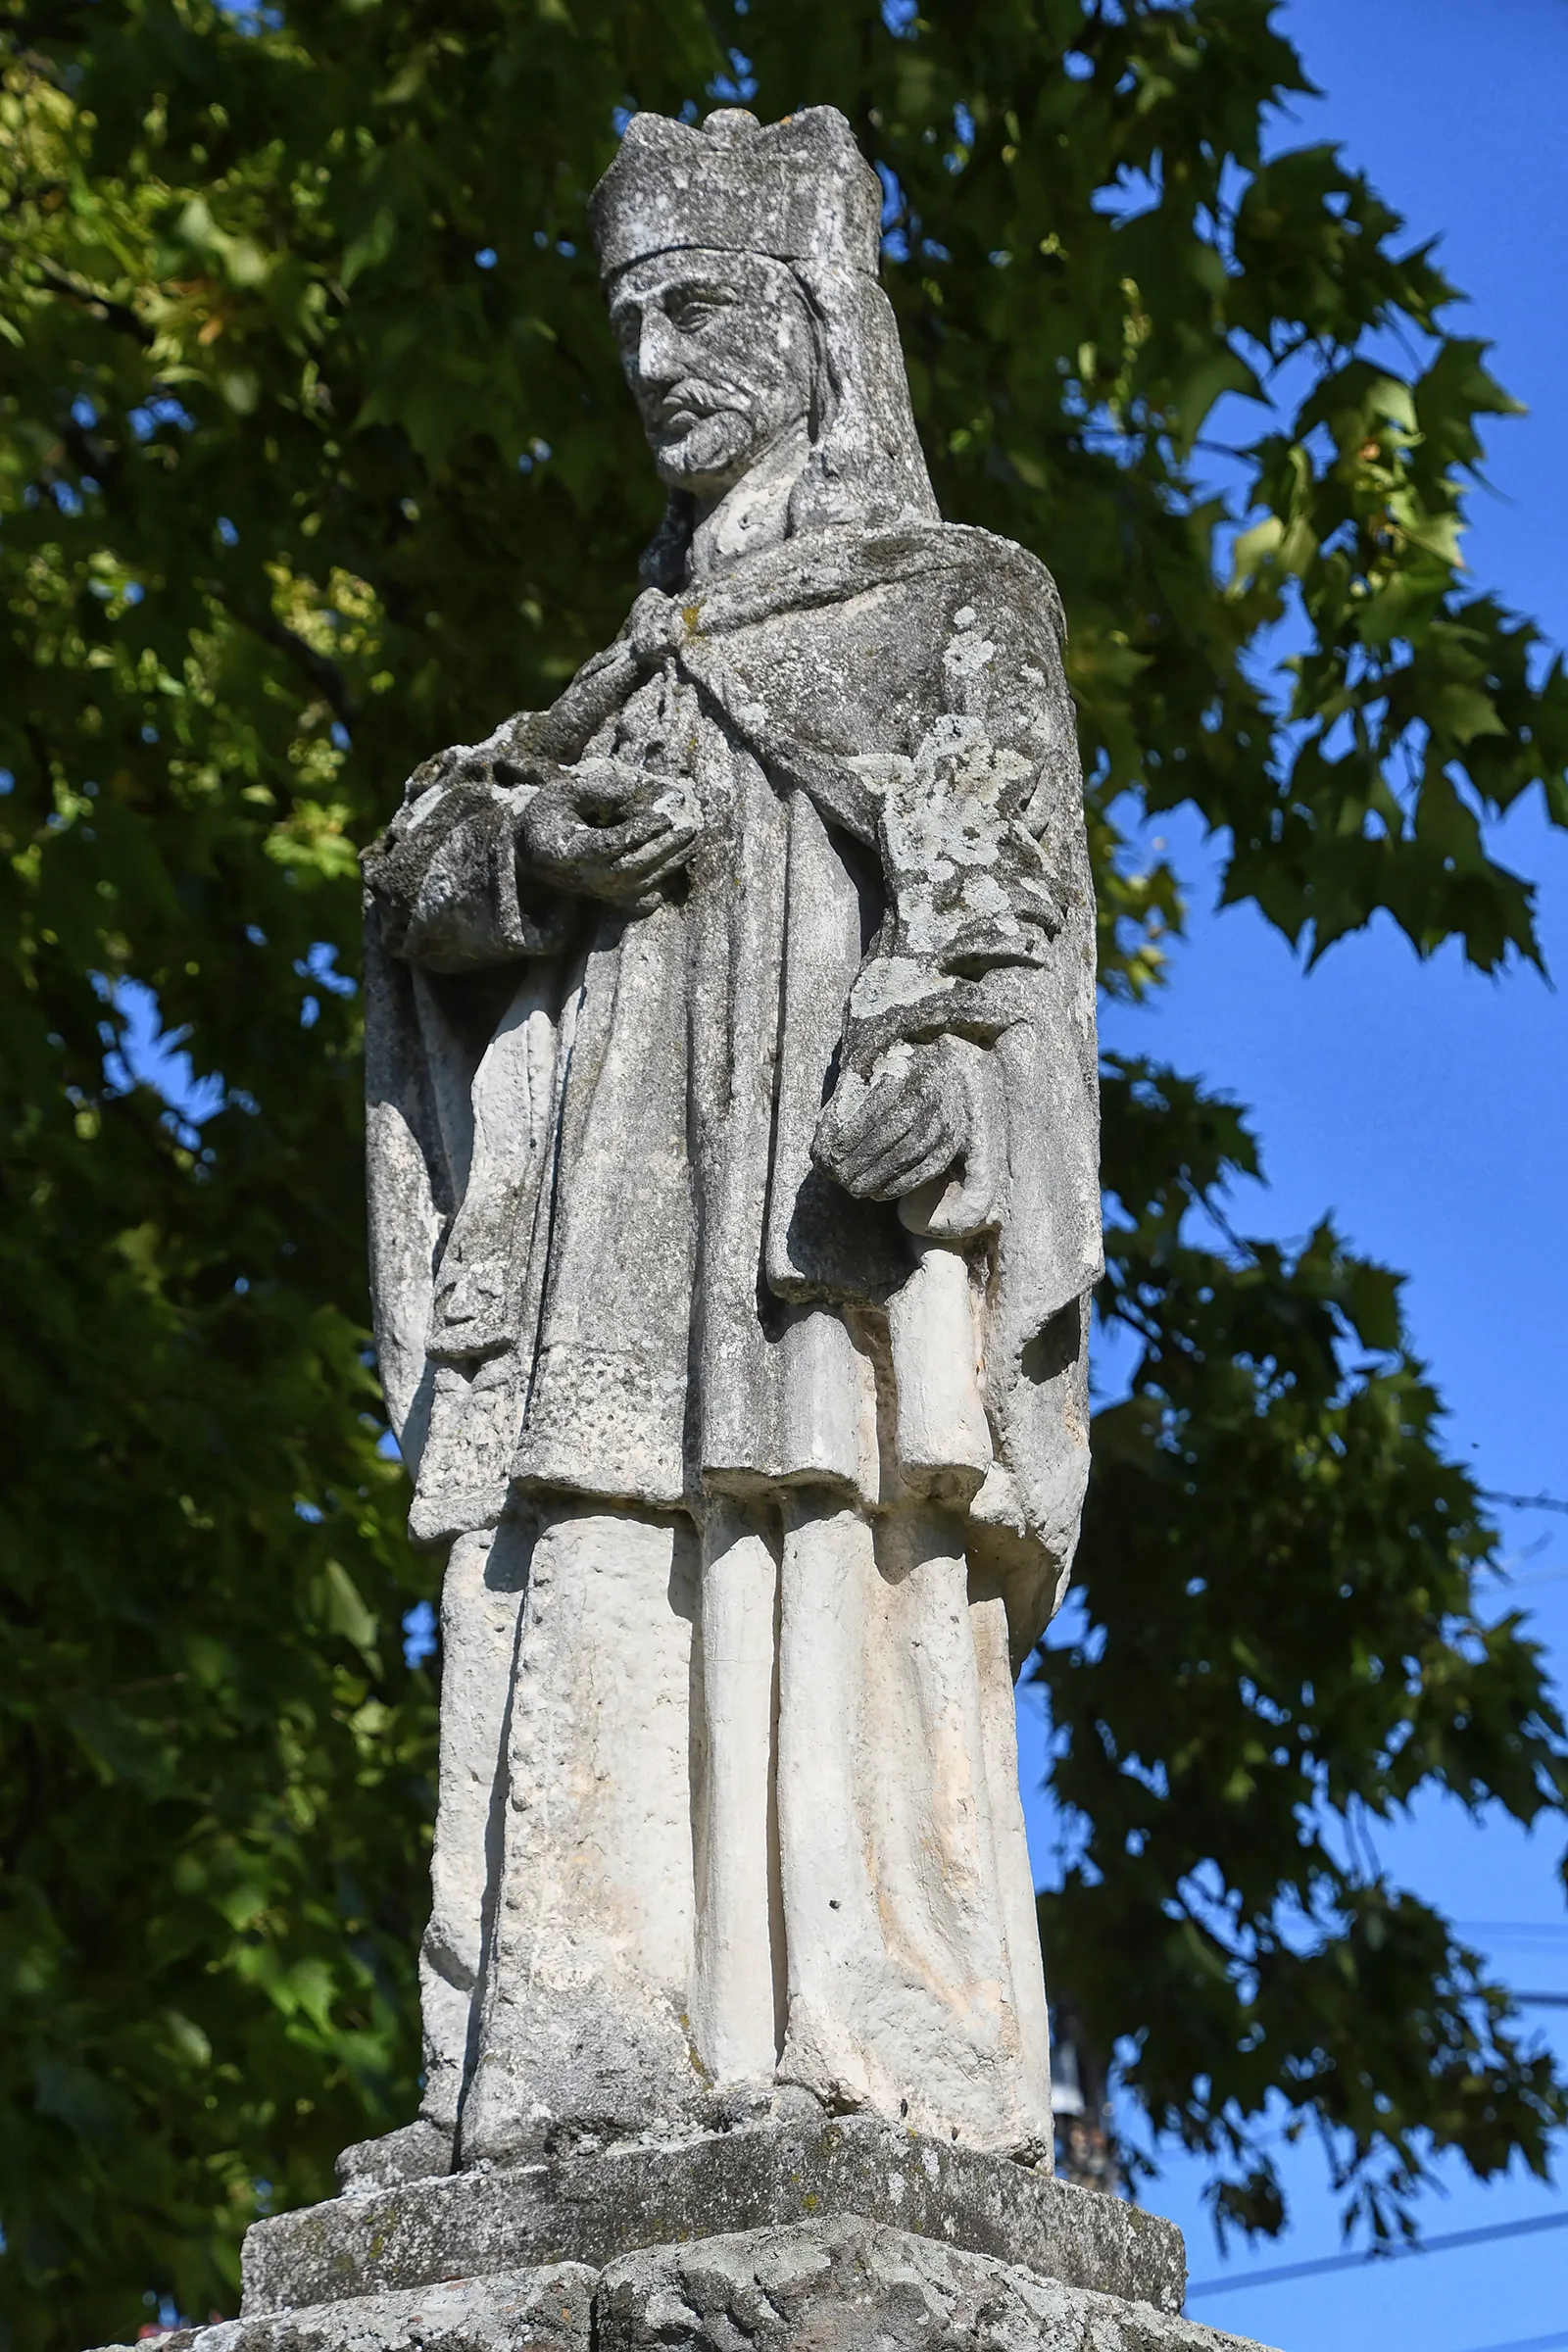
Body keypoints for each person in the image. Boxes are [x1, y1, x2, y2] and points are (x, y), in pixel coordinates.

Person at [361, 103, 1100, 2175]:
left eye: (697, 311)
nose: (660, 365)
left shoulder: (945, 598)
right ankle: (566, 2049)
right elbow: (425, 867)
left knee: (821, 1531)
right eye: (632, 333)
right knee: (585, 1528)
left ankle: (843, 2037)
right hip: (608, 1201)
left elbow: (999, 915)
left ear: (809, 318)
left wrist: (940, 1071)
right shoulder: (627, 673)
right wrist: (533, 850)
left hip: (814, 1231)